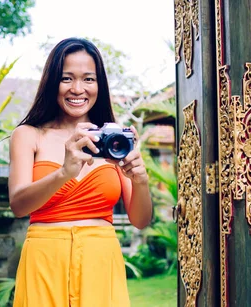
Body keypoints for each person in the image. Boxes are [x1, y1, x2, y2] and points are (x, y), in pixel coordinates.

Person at [8, 37, 153, 307]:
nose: (78, 89)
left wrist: (141, 181)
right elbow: (18, 205)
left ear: (99, 84)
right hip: (44, 260)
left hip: (100, 262)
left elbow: (141, 219)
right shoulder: (28, 135)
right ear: (53, 82)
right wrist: (64, 171)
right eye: (67, 78)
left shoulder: (115, 138)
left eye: (88, 79)